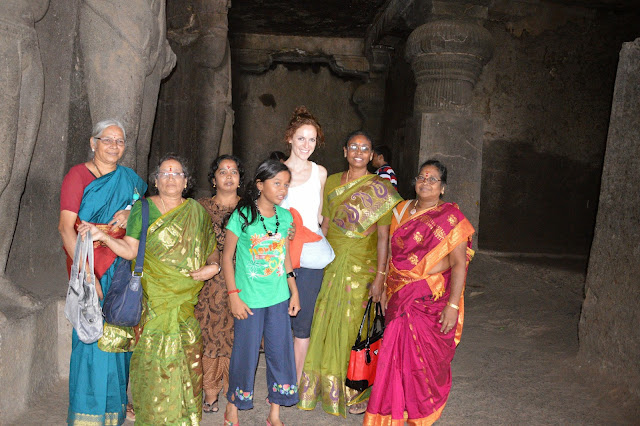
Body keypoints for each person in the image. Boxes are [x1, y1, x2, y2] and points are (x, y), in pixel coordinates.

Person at [77, 154, 220, 424]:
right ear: (156, 181)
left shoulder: (197, 213)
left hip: (185, 299)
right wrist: (105, 237)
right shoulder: (142, 209)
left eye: (176, 173)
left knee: (187, 358)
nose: (170, 178)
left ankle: (183, 418)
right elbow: (131, 250)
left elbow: (212, 252)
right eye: (164, 173)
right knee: (153, 363)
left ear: (186, 182)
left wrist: (214, 267)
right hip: (154, 297)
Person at [363, 159, 475, 425]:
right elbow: (391, 253)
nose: (426, 182)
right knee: (394, 353)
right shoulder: (400, 210)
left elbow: (459, 263)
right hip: (399, 293)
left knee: (424, 361)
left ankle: (419, 412)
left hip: (429, 298)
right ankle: (393, 410)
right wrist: (382, 283)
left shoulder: (451, 218)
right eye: (422, 177)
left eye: (433, 179)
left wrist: (453, 306)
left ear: (443, 188)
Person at [298, 131, 402, 417]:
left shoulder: (381, 189)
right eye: (353, 146)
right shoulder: (331, 182)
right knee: (326, 317)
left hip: (363, 263)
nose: (358, 151)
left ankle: (353, 389)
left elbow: (384, 237)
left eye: (365, 148)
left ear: (371, 155)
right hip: (332, 258)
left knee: (354, 323)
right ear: (345, 151)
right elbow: (327, 226)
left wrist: (381, 276)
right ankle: (322, 385)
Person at [58, 119, 147, 425]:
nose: (113, 145)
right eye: (106, 139)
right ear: (93, 143)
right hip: (89, 265)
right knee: (91, 337)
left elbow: (143, 206)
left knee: (120, 339)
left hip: (121, 266)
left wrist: (130, 212)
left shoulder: (129, 178)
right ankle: (87, 413)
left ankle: (116, 408)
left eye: (120, 141)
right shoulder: (77, 175)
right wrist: (87, 276)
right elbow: (66, 229)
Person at [223, 159, 301, 426]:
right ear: (260, 184)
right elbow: (227, 258)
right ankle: (233, 405)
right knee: (244, 354)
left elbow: (285, 257)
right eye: (276, 183)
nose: (282, 189)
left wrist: (294, 291)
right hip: (248, 300)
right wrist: (233, 294)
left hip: (278, 299)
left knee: (280, 354)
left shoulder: (286, 217)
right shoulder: (242, 215)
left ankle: (274, 413)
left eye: (286, 184)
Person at [280, 106, 329, 383]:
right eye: (301, 138)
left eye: (312, 140)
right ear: (289, 138)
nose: (306, 145)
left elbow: (320, 216)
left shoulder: (320, 172)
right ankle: (278, 377)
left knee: (302, 321)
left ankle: (291, 382)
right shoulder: (278, 172)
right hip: (278, 256)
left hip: (310, 256)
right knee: (278, 320)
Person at [195, 154, 244, 413]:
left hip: (242, 281)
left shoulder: (250, 208)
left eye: (233, 171)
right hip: (209, 282)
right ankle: (210, 391)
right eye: (222, 171)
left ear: (240, 179)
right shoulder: (199, 207)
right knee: (209, 335)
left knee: (235, 336)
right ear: (213, 180)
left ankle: (233, 391)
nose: (228, 176)